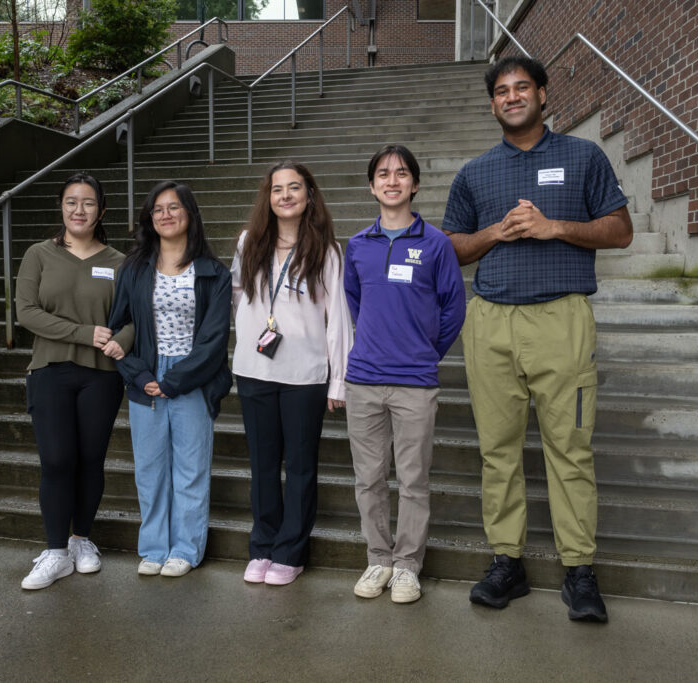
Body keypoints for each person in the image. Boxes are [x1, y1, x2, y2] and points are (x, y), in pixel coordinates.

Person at [441, 56, 633, 622]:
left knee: (569, 449)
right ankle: (508, 563)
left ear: (544, 95)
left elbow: (620, 231)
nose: (512, 96)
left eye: (522, 87)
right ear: (492, 103)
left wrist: (555, 227)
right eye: (501, 91)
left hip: (561, 320)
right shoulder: (475, 172)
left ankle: (579, 570)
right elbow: (450, 248)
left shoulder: (582, 156)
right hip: (492, 322)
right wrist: (496, 232)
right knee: (497, 452)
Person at [343, 144, 466, 604]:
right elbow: (355, 304)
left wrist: (424, 351)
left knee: (413, 479)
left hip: (415, 381)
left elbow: (454, 307)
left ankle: (408, 566)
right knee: (369, 478)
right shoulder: (358, 245)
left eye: (400, 174)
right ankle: (378, 559)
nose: (391, 181)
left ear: (414, 183)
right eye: (382, 173)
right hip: (364, 379)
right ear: (371, 184)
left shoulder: (435, 244)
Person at [231, 161, 353, 586]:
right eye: (277, 189)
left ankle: (290, 551)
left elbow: (338, 319)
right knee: (263, 465)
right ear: (268, 197)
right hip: (254, 370)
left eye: (294, 188)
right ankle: (262, 546)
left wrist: (338, 380)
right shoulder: (250, 242)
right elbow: (238, 300)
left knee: (300, 466)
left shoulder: (328, 250)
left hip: (305, 374)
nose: (285, 195)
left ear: (309, 195)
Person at [107, 181, 232, 578]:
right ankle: (154, 547)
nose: (166, 214)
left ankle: (185, 549)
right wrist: (139, 374)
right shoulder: (134, 269)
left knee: (191, 467)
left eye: (174, 207)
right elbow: (119, 327)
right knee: (149, 467)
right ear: (150, 219)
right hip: (146, 373)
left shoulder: (213, 273)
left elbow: (214, 340)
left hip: (192, 376)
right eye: (158, 209)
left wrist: (175, 379)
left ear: (190, 215)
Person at [15, 172, 133, 590]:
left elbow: (134, 320)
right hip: (50, 371)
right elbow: (26, 312)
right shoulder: (39, 254)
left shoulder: (120, 262)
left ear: (101, 210)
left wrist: (121, 341)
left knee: (90, 461)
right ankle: (55, 551)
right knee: (57, 460)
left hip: (101, 377)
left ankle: (81, 539)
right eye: (70, 202)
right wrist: (84, 333)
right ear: (61, 208)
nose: (78, 210)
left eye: (87, 203)